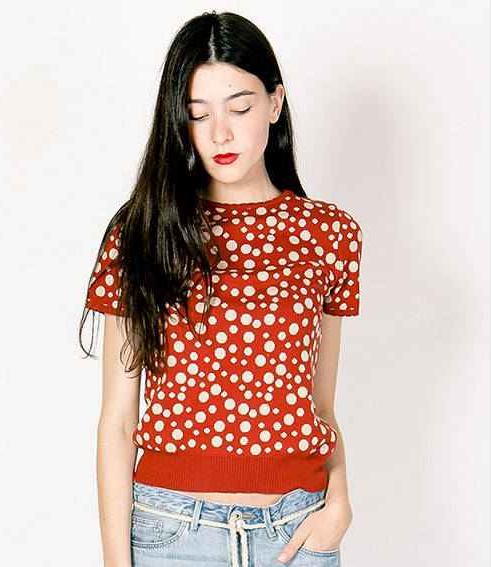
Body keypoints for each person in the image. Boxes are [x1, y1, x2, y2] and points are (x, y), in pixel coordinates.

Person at [80, 11, 363, 567]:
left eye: (239, 107)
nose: (220, 134)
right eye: (197, 114)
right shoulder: (143, 230)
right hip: (171, 535)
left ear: (275, 103)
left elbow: (320, 405)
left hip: (297, 532)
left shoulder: (330, 234)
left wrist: (340, 501)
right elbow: (117, 421)